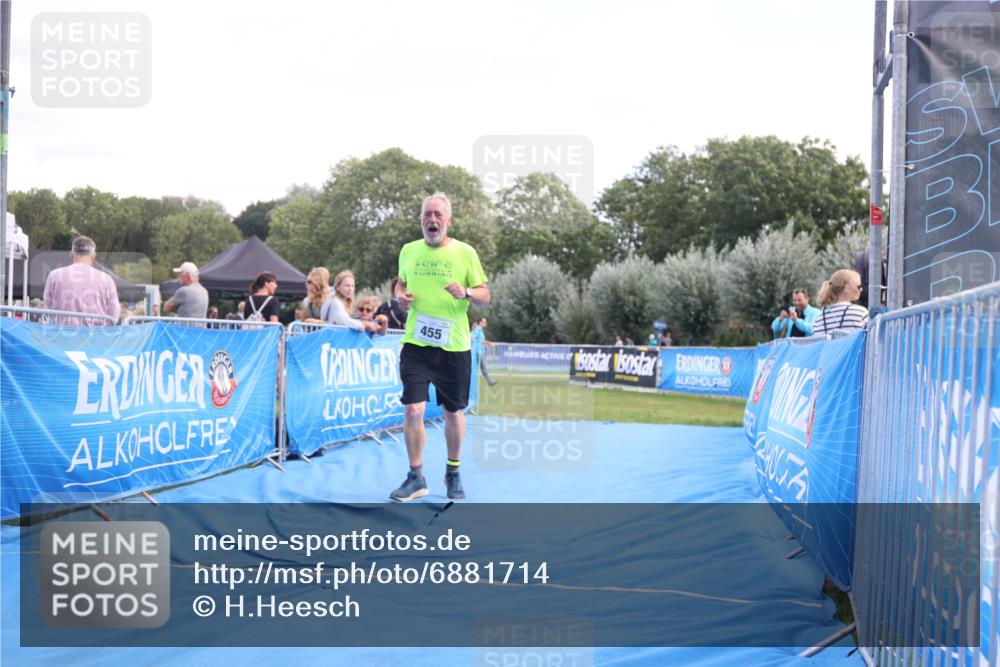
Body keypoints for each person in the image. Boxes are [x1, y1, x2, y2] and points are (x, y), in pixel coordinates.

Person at [390, 193, 489, 502]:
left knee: (453, 412)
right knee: (412, 409)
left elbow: (485, 294)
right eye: (427, 215)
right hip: (416, 343)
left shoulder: (465, 253)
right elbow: (399, 285)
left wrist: (467, 291)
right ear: (421, 220)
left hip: (454, 346)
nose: (432, 220)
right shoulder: (408, 251)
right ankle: (415, 476)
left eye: (438, 215)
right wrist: (399, 295)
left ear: (449, 221)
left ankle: (453, 471)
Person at [42, 235, 120, 325]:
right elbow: (114, 314)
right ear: (94, 256)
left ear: (71, 254)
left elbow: (47, 308)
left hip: (62, 335)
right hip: (96, 335)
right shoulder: (107, 280)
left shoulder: (54, 275)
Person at [813, 269, 869, 335]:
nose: (861, 289)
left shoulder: (820, 316)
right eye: (859, 286)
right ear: (846, 287)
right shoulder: (861, 313)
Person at [470, 316, 496, 386]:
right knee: (480, 367)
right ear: (480, 322)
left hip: (479, 351)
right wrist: (490, 343)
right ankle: (490, 381)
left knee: (482, 367)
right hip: (478, 351)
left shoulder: (479, 329)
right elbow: (473, 337)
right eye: (484, 321)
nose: (486, 323)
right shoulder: (478, 329)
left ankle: (490, 381)